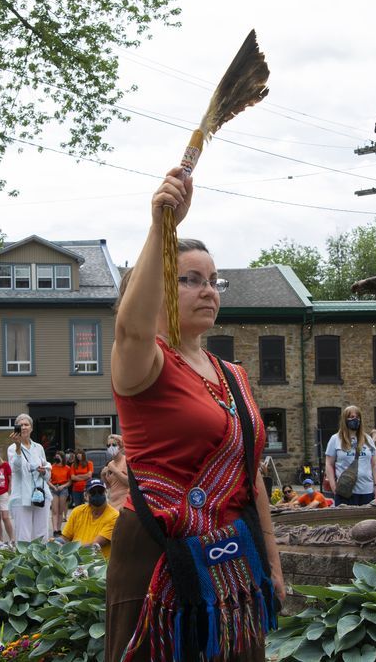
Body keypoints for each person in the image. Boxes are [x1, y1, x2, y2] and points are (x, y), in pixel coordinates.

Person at [106, 167, 284, 662]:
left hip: (233, 555)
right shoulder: (144, 362)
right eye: (190, 280)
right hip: (156, 550)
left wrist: (272, 559)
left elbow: (250, 478)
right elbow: (131, 328)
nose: (208, 290)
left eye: (213, 280)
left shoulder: (235, 376)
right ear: (158, 287)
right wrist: (162, 225)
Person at [325, 406, 376, 506]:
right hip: (345, 492)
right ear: (344, 419)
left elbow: (374, 464)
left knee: (367, 521)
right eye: (351, 417)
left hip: (366, 491)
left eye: (357, 417)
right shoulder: (335, 439)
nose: (354, 419)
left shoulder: (368, 439)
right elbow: (329, 464)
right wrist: (333, 485)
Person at [7, 413, 50, 542]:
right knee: (23, 536)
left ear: (31, 428)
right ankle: (25, 561)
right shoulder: (12, 448)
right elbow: (17, 469)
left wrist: (44, 471)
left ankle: (42, 560)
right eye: (21, 425)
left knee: (42, 534)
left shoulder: (39, 447)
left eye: (26, 424)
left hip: (41, 494)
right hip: (21, 496)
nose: (24, 427)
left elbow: (47, 473)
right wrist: (18, 447)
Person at [60, 478, 119, 558]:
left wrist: (69, 551)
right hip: (75, 557)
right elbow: (65, 538)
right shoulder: (77, 511)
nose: (97, 494)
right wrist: (56, 543)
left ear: (106, 493)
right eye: (93, 492)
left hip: (98, 563)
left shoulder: (114, 516)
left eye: (100, 491)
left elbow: (95, 546)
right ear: (85, 496)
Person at [101, 434, 128, 510]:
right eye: (108, 445)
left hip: (124, 503)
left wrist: (115, 470)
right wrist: (103, 476)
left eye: (114, 445)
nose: (111, 447)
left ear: (120, 446)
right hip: (112, 503)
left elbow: (129, 483)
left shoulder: (126, 461)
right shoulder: (110, 463)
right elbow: (109, 486)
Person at [49, 451, 72, 536]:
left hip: (63, 489)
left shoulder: (67, 468)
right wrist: (53, 486)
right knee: (55, 510)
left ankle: (59, 529)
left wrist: (63, 486)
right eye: (56, 457)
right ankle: (55, 529)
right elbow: (47, 480)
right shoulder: (52, 467)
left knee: (60, 511)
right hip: (54, 488)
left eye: (58, 457)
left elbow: (70, 481)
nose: (57, 458)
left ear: (62, 458)